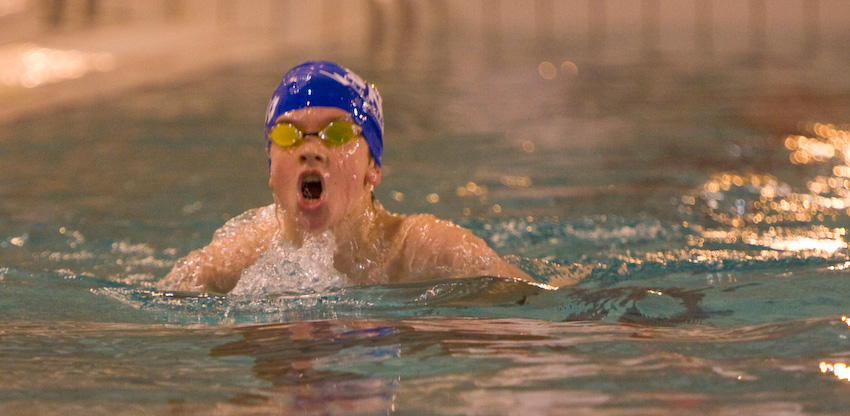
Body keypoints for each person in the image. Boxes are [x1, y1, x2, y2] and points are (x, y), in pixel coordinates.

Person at [159, 61, 530, 294]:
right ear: (271, 168)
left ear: (373, 167)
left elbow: (540, 308)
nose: (310, 149)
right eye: (288, 135)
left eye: (336, 133)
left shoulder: (429, 252)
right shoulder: (233, 262)